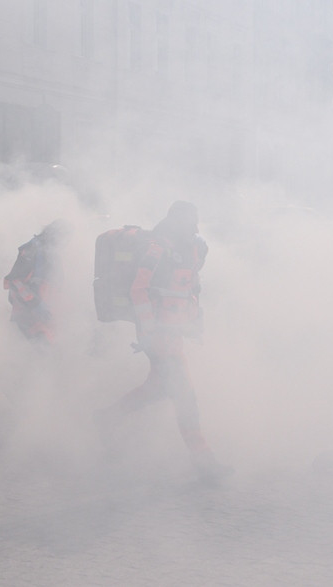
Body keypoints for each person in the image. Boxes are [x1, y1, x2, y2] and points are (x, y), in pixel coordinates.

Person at [98, 201, 230, 481]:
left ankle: (106, 420)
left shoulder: (191, 248)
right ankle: (203, 461)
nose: (194, 226)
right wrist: (147, 332)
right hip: (157, 337)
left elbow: (190, 288)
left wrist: (195, 323)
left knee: (157, 389)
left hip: (174, 335)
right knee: (185, 395)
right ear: (176, 220)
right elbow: (138, 290)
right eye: (189, 221)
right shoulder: (157, 249)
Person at [3, 219, 72, 344]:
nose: (64, 243)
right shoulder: (32, 249)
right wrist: (36, 305)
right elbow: (14, 281)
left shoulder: (52, 253)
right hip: (28, 320)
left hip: (45, 323)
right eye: (62, 237)